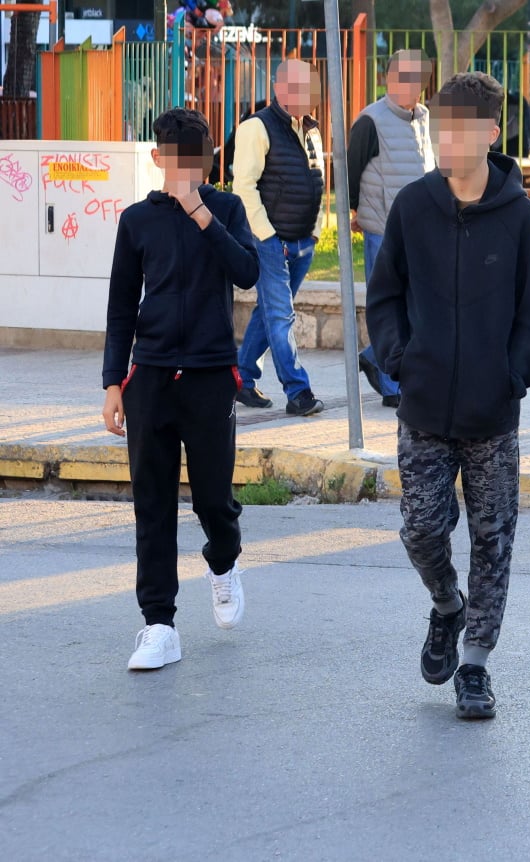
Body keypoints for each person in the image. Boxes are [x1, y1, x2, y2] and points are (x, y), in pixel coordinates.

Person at [365, 72, 530, 721]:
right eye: (441, 127)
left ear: (490, 133)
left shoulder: (517, 215)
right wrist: (401, 361)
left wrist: (512, 376)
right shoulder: (414, 206)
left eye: (460, 128)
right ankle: (447, 605)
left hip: (492, 416)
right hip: (423, 408)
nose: (447, 139)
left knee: (493, 539)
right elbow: (385, 295)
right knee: (421, 530)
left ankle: (475, 665)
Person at [101, 108, 259, 670]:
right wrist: (112, 383)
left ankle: (223, 560)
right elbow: (121, 307)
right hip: (149, 376)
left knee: (214, 498)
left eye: (198, 160)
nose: (189, 169)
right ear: (158, 159)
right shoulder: (137, 221)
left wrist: (200, 213)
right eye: (177, 160)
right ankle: (159, 625)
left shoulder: (226, 209)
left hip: (211, 375)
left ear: (210, 160)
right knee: (152, 502)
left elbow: (247, 273)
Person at [232, 59, 326, 416]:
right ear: (279, 88)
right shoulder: (256, 127)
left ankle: (241, 378)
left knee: (269, 312)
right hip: (271, 242)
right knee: (281, 315)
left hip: (303, 241)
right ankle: (298, 391)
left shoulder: (312, 129)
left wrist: (315, 231)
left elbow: (319, 181)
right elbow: (244, 187)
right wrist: (268, 238)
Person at [348, 49, 435, 409]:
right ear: (389, 78)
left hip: (420, 230)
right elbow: (351, 172)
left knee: (417, 303)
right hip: (382, 228)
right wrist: (356, 211)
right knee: (386, 303)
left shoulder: (424, 117)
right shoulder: (371, 120)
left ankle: (373, 357)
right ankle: (390, 385)